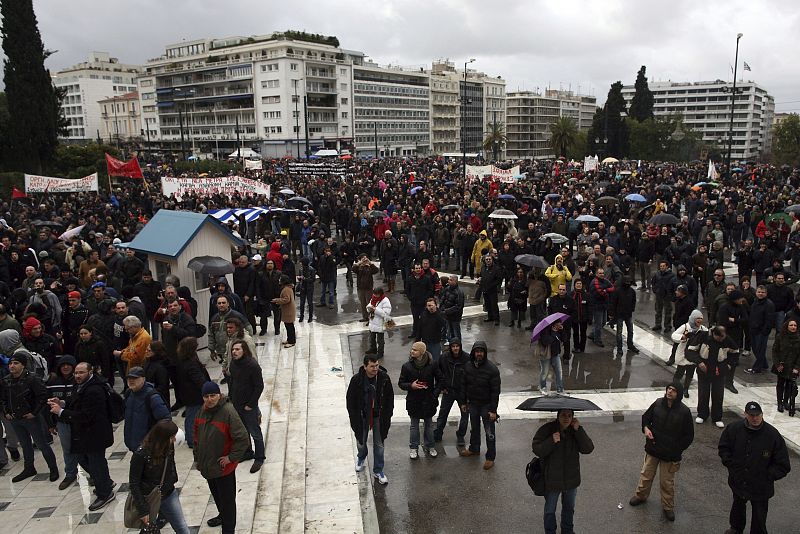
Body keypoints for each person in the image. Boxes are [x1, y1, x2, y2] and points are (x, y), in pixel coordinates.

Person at [48, 362, 116, 510]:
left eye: (81, 373)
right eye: (76, 372)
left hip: (95, 434)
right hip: (85, 433)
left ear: (90, 372)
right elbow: (76, 402)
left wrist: (60, 412)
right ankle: (105, 482)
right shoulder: (80, 385)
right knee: (85, 458)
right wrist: (62, 403)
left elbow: (86, 416)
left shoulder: (94, 390)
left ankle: (105, 493)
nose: (77, 375)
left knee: (96, 463)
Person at [718, 402, 791, 534]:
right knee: (737, 507)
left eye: (758, 415)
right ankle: (735, 528)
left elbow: (783, 464)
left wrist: (767, 476)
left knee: (759, 516)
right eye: (751, 415)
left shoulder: (772, 435)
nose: (755, 418)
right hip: (739, 481)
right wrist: (731, 465)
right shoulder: (734, 429)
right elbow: (724, 447)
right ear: (745, 414)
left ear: (762, 414)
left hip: (761, 487)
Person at [628, 383, 695, 522]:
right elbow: (645, 419)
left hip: (670, 455)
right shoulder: (658, 403)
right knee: (646, 475)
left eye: (674, 390)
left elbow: (688, 436)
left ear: (679, 394)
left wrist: (676, 448)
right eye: (669, 389)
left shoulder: (684, 412)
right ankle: (640, 496)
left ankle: (668, 506)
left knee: (667, 482)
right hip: (653, 448)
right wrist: (646, 429)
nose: (670, 392)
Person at [194, 381, 250, 534]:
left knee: (227, 501)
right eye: (206, 396)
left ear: (219, 395)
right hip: (208, 465)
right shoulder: (202, 411)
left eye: (213, 395)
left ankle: (228, 528)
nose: (210, 399)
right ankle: (221, 516)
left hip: (223, 468)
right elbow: (197, 437)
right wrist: (197, 459)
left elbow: (243, 438)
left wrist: (231, 458)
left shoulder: (228, 412)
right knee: (217, 495)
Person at [531, 409, 595, 534]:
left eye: (569, 415)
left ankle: (567, 530)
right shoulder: (547, 429)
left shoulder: (575, 430)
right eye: (563, 415)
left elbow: (588, 449)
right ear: (558, 416)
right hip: (552, 480)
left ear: (573, 418)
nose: (566, 418)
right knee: (550, 510)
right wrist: (551, 441)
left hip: (571, 480)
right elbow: (537, 449)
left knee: (569, 508)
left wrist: (579, 430)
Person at [0, 354, 60, 482]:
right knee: (25, 444)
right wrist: (6, 412)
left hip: (30, 417)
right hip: (15, 418)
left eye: (16, 363)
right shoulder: (6, 380)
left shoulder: (32, 379)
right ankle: (29, 468)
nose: (12, 366)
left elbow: (43, 396)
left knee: (42, 444)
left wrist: (34, 412)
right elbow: (3, 399)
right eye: (10, 363)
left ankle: (53, 468)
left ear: (23, 365)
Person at [128, 420, 190, 534]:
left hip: (168, 493)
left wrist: (171, 480)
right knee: (151, 530)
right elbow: (134, 483)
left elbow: (170, 467)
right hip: (148, 497)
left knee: (182, 528)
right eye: (172, 437)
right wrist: (142, 509)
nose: (174, 440)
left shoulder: (169, 447)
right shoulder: (141, 455)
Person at [346, 354, 394, 485]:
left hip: (379, 416)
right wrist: (354, 416)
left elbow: (390, 398)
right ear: (365, 366)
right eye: (372, 366)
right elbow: (350, 401)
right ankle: (361, 457)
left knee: (379, 445)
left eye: (377, 365)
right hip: (362, 416)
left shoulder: (384, 378)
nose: (375, 368)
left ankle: (378, 470)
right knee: (361, 441)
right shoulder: (356, 380)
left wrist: (388, 413)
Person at [686, 325, 739, 428]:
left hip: (719, 372)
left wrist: (728, 365)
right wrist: (699, 362)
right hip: (704, 371)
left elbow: (735, 352)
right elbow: (690, 350)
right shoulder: (703, 337)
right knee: (703, 393)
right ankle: (702, 414)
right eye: (720, 337)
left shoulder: (727, 340)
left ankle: (717, 417)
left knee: (718, 395)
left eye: (723, 337)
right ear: (714, 334)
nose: (721, 340)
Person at [459, 340, 501, 470]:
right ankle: (474, 448)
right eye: (477, 351)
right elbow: (463, 385)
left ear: (485, 353)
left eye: (481, 352)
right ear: (473, 352)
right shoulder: (468, 366)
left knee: (489, 432)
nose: (479, 354)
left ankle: (490, 457)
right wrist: (463, 402)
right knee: (475, 428)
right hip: (473, 404)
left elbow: (495, 392)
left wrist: (493, 410)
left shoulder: (492, 369)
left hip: (487, 405)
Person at [398, 341, 441, 459]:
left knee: (429, 425)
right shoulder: (407, 366)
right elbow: (401, 383)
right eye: (412, 349)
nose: (412, 351)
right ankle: (413, 448)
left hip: (428, 400)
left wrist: (434, 394)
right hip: (414, 400)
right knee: (414, 426)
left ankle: (430, 446)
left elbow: (440, 380)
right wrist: (411, 386)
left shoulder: (432, 365)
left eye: (415, 350)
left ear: (421, 352)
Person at [228, 340, 265, 473]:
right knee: (243, 431)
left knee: (255, 431)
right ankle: (248, 452)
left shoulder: (252, 365)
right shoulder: (233, 364)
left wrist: (251, 404)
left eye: (237, 349)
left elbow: (259, 386)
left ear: (244, 350)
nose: (234, 352)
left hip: (248, 406)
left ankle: (260, 457)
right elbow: (232, 381)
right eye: (233, 349)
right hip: (237, 404)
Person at [45, 355, 79, 489]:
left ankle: (92, 474)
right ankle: (70, 474)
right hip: (62, 422)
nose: (65, 367)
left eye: (68, 365)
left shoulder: (78, 381)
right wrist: (51, 424)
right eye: (63, 365)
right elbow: (47, 404)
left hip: (78, 420)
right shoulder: (53, 382)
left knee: (85, 448)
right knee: (67, 449)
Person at [123, 366, 172, 452]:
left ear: (143, 379)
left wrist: (153, 440)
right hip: (134, 445)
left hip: (148, 447)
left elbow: (165, 419)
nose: (131, 380)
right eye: (129, 378)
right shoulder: (129, 393)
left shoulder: (152, 397)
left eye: (135, 378)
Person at [433, 339, 469, 450]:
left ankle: (461, 435)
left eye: (457, 346)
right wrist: (441, 387)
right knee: (443, 414)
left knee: (465, 416)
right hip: (448, 391)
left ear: (460, 346)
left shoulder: (467, 358)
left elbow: (470, 376)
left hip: (462, 392)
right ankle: (438, 433)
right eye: (453, 346)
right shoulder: (444, 357)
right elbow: (437, 372)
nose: (455, 348)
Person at [175, 337, 210, 447]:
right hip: (193, 395)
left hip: (188, 394)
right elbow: (199, 380)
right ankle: (191, 440)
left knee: (193, 416)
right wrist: (208, 389)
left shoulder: (184, 359)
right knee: (192, 417)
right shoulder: (190, 363)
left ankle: (193, 437)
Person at [670, 310, 707, 398]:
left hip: (693, 355)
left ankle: (685, 389)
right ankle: (675, 387)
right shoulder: (685, 327)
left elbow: (708, 336)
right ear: (693, 318)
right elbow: (674, 335)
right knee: (679, 372)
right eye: (698, 318)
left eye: (701, 318)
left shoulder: (703, 329)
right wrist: (682, 337)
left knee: (690, 373)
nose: (700, 320)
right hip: (683, 354)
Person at [771, 319, 800, 415]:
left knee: (789, 385)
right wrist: (777, 364)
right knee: (780, 384)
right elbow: (775, 351)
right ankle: (780, 403)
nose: (793, 327)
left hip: (793, 366)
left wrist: (797, 367)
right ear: (787, 326)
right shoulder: (780, 337)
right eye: (791, 325)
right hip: (782, 365)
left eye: (795, 325)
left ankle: (785, 402)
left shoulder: (798, 338)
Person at [745, 285, 775, 374]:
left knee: (760, 350)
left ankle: (756, 368)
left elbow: (769, 319)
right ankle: (764, 364)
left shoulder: (769, 304)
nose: (760, 294)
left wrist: (765, 331)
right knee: (755, 349)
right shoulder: (755, 302)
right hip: (753, 329)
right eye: (759, 292)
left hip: (762, 331)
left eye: (762, 292)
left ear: (766, 293)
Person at [609, 276, 639, 359]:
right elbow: (613, 303)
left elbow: (634, 301)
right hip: (620, 315)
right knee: (619, 332)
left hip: (628, 314)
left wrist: (632, 309)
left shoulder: (631, 291)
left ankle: (630, 345)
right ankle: (619, 348)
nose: (628, 284)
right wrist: (612, 314)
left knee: (630, 331)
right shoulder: (618, 291)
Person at [534, 321, 565, 394]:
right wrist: (554, 333)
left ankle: (560, 388)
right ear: (554, 324)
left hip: (555, 354)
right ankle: (543, 387)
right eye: (559, 323)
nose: (561, 324)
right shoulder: (545, 330)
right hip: (546, 354)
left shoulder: (560, 330)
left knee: (559, 372)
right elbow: (546, 341)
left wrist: (562, 331)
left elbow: (564, 339)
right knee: (544, 372)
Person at [588, 268, 614, 347]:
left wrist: (606, 290)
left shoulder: (605, 281)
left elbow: (612, 288)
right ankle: (597, 339)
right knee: (598, 324)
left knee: (603, 322)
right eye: (600, 273)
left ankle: (593, 334)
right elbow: (600, 293)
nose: (602, 274)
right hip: (597, 306)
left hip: (604, 305)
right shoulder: (594, 282)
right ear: (596, 274)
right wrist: (607, 292)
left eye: (602, 273)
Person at [365, 287, 392, 359]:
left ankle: (380, 353)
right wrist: (369, 308)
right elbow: (369, 305)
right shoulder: (373, 298)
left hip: (380, 323)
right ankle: (373, 349)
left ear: (380, 294)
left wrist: (375, 309)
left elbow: (386, 313)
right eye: (374, 294)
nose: (375, 295)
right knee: (372, 338)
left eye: (376, 294)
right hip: (373, 321)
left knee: (380, 340)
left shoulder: (385, 300)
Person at [651, 260, 678, 332]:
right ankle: (658, 324)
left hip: (667, 296)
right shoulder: (657, 274)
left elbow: (674, 285)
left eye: (663, 266)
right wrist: (655, 290)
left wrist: (671, 294)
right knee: (658, 310)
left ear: (667, 266)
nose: (662, 267)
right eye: (661, 266)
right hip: (659, 295)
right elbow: (653, 283)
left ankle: (667, 326)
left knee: (668, 311)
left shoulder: (672, 275)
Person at [271, 275, 296, 348]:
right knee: (288, 325)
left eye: (280, 279)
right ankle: (289, 339)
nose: (279, 280)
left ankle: (292, 341)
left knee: (290, 326)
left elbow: (286, 299)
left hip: (288, 310)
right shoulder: (288, 288)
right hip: (288, 310)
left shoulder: (286, 289)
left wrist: (277, 300)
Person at [439, 275, 465, 342]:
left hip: (455, 316)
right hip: (447, 315)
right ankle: (452, 344)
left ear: (455, 281)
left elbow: (458, 306)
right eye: (449, 279)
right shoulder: (447, 288)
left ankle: (458, 344)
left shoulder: (459, 292)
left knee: (456, 332)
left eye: (450, 280)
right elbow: (443, 298)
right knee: (450, 332)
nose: (448, 281)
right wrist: (441, 308)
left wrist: (446, 311)